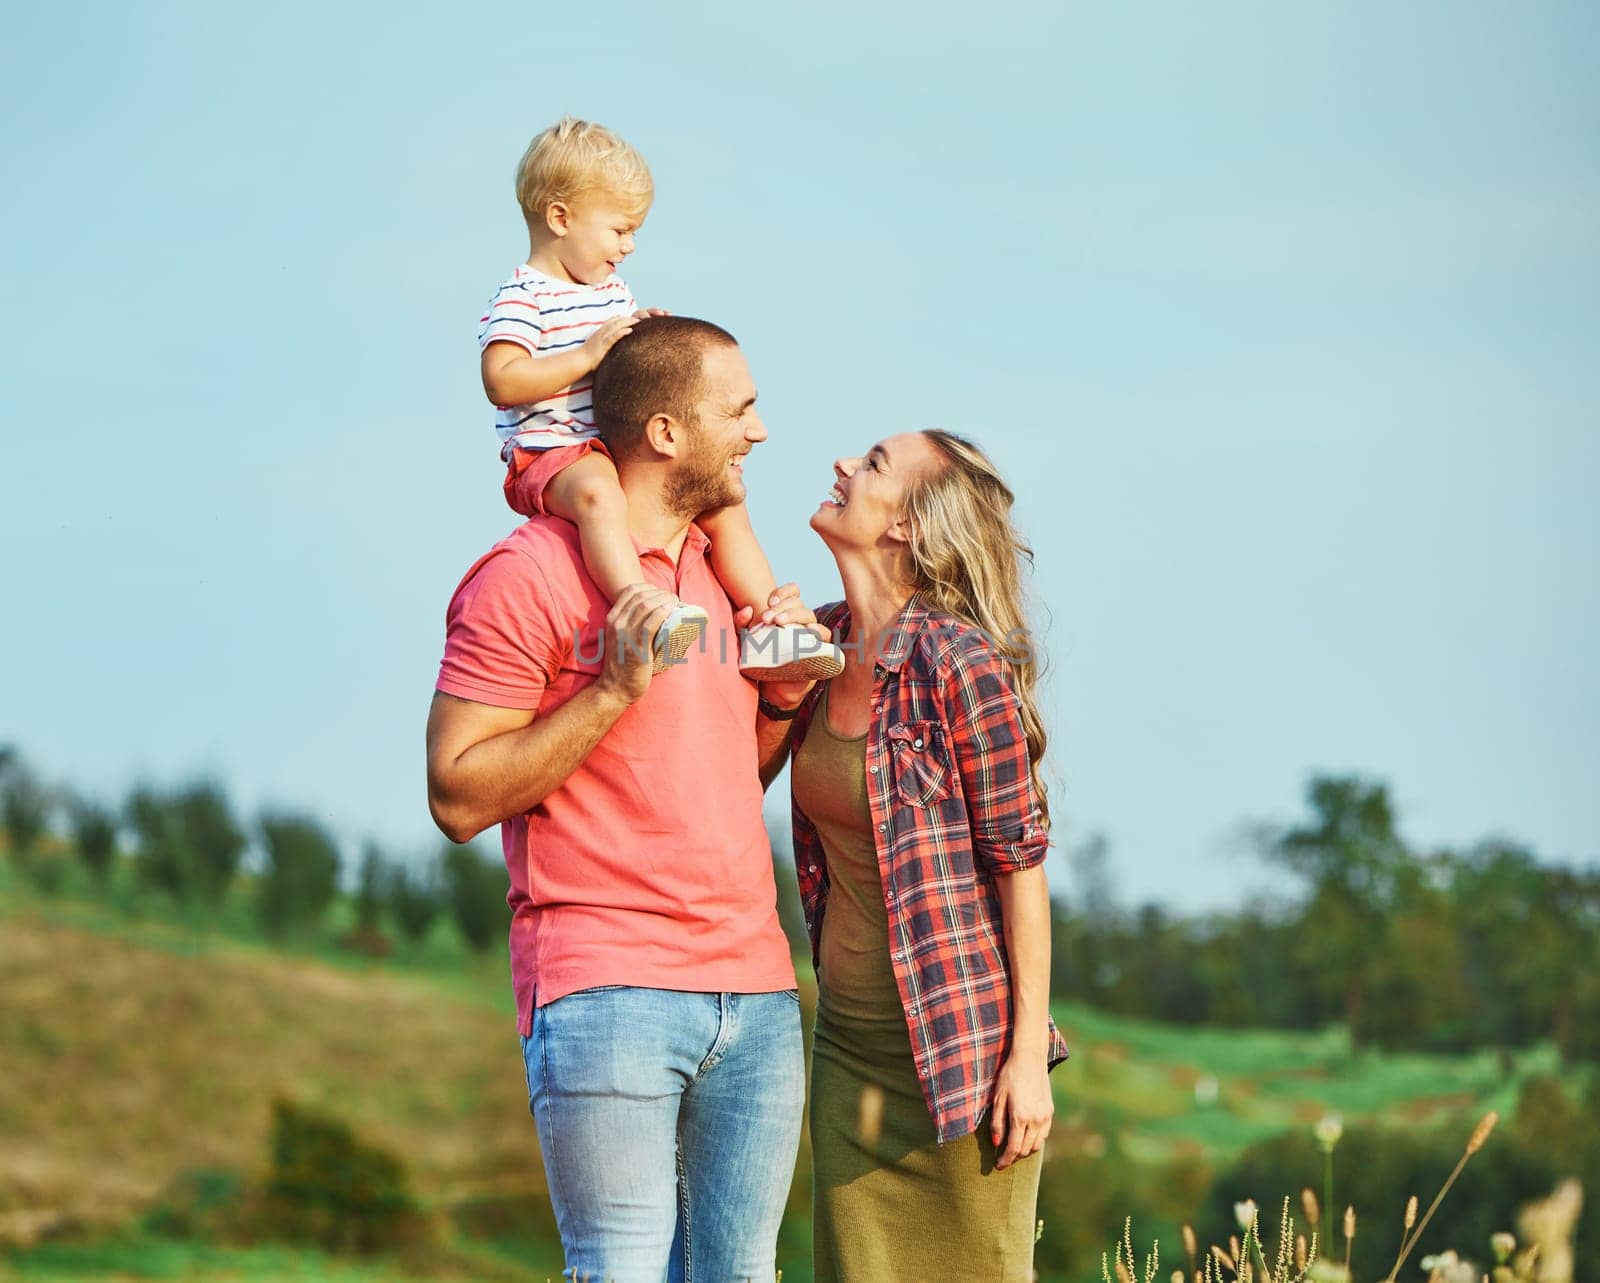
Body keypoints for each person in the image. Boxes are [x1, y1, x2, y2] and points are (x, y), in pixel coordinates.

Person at [426, 316, 823, 1282]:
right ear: (665, 433)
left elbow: (728, 779)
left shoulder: (728, 581)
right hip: (606, 985)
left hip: (758, 988)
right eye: (741, 410)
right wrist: (612, 688)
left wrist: (788, 695)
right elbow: (455, 795)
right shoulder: (529, 575)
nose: (760, 432)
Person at [780, 429, 1070, 1282]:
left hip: (961, 1062)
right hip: (847, 1052)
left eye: (870, 464)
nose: (841, 464)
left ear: (906, 525)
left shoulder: (960, 663)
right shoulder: (818, 646)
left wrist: (1026, 1060)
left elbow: (1022, 869)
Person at [478, 115, 840, 679]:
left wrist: (641, 337)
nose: (629, 245)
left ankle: (774, 630)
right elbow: (501, 379)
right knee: (599, 494)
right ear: (560, 218)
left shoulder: (611, 292)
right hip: (551, 454)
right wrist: (588, 356)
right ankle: (641, 606)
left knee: (723, 505)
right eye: (619, 229)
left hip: (607, 443)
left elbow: (628, 366)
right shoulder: (523, 296)